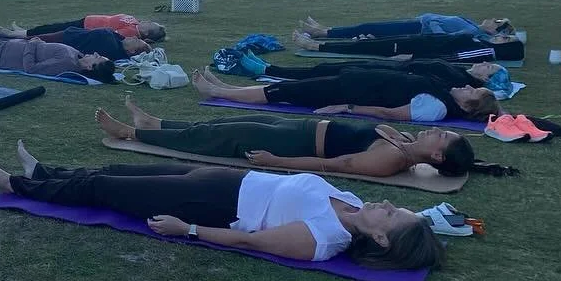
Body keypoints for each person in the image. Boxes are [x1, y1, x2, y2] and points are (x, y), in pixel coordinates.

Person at [0, 142, 443, 269]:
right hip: (228, 180)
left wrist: (189, 230)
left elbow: (251, 240)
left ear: (380, 238)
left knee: (102, 187)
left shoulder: (324, 239)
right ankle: (44, 172)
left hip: (207, 203)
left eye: (391, 214)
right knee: (114, 170)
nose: (387, 203)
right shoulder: (353, 202)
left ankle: (16, 185)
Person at [95, 97, 514, 178]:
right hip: (298, 128)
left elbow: (331, 164)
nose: (434, 130)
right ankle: (155, 122)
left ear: (436, 157)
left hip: (294, 145)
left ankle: (132, 132)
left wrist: (277, 163)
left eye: (439, 136)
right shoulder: (403, 140)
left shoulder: (390, 160)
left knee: (216, 140)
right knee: (218, 126)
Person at [193, 68, 499, 123]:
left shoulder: (436, 108)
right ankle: (226, 88)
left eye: (473, 91)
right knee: (283, 89)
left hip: (347, 92)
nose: (468, 86)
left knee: (280, 93)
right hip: (354, 80)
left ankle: (216, 91)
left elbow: (389, 114)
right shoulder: (445, 93)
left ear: (467, 105)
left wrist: (346, 107)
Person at [227, 52, 513, 95]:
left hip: (388, 75)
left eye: (489, 67)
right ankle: (269, 68)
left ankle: (267, 71)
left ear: (485, 79)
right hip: (393, 67)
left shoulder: (460, 81)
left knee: (322, 74)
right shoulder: (461, 71)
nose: (484, 63)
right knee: (325, 68)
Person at [290, 30, 525, 63]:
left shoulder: (486, 51)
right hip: (417, 41)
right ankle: (317, 43)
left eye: (506, 39)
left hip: (414, 49)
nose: (501, 37)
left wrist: (412, 58)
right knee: (368, 44)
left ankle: (315, 46)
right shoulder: (483, 42)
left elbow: (452, 58)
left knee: (362, 49)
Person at [0, 24, 150, 60]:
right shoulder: (119, 41)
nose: (135, 38)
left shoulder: (114, 49)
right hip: (70, 34)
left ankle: (1, 40)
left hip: (68, 41)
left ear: (132, 51)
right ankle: (6, 37)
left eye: (137, 42)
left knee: (29, 42)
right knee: (32, 38)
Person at [300, 14, 513, 40]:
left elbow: (445, 37)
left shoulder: (473, 31)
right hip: (416, 24)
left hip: (416, 29)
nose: (492, 19)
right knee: (369, 26)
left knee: (369, 27)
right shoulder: (472, 24)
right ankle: (326, 29)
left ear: (494, 30)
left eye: (496, 22)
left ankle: (322, 32)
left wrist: (431, 23)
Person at [0, 14, 166, 43]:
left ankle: (15, 35)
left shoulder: (132, 32)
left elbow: (111, 35)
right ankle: (22, 31)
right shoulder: (134, 23)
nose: (148, 21)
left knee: (52, 31)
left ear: (146, 32)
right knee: (51, 27)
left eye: (150, 24)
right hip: (87, 20)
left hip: (85, 28)